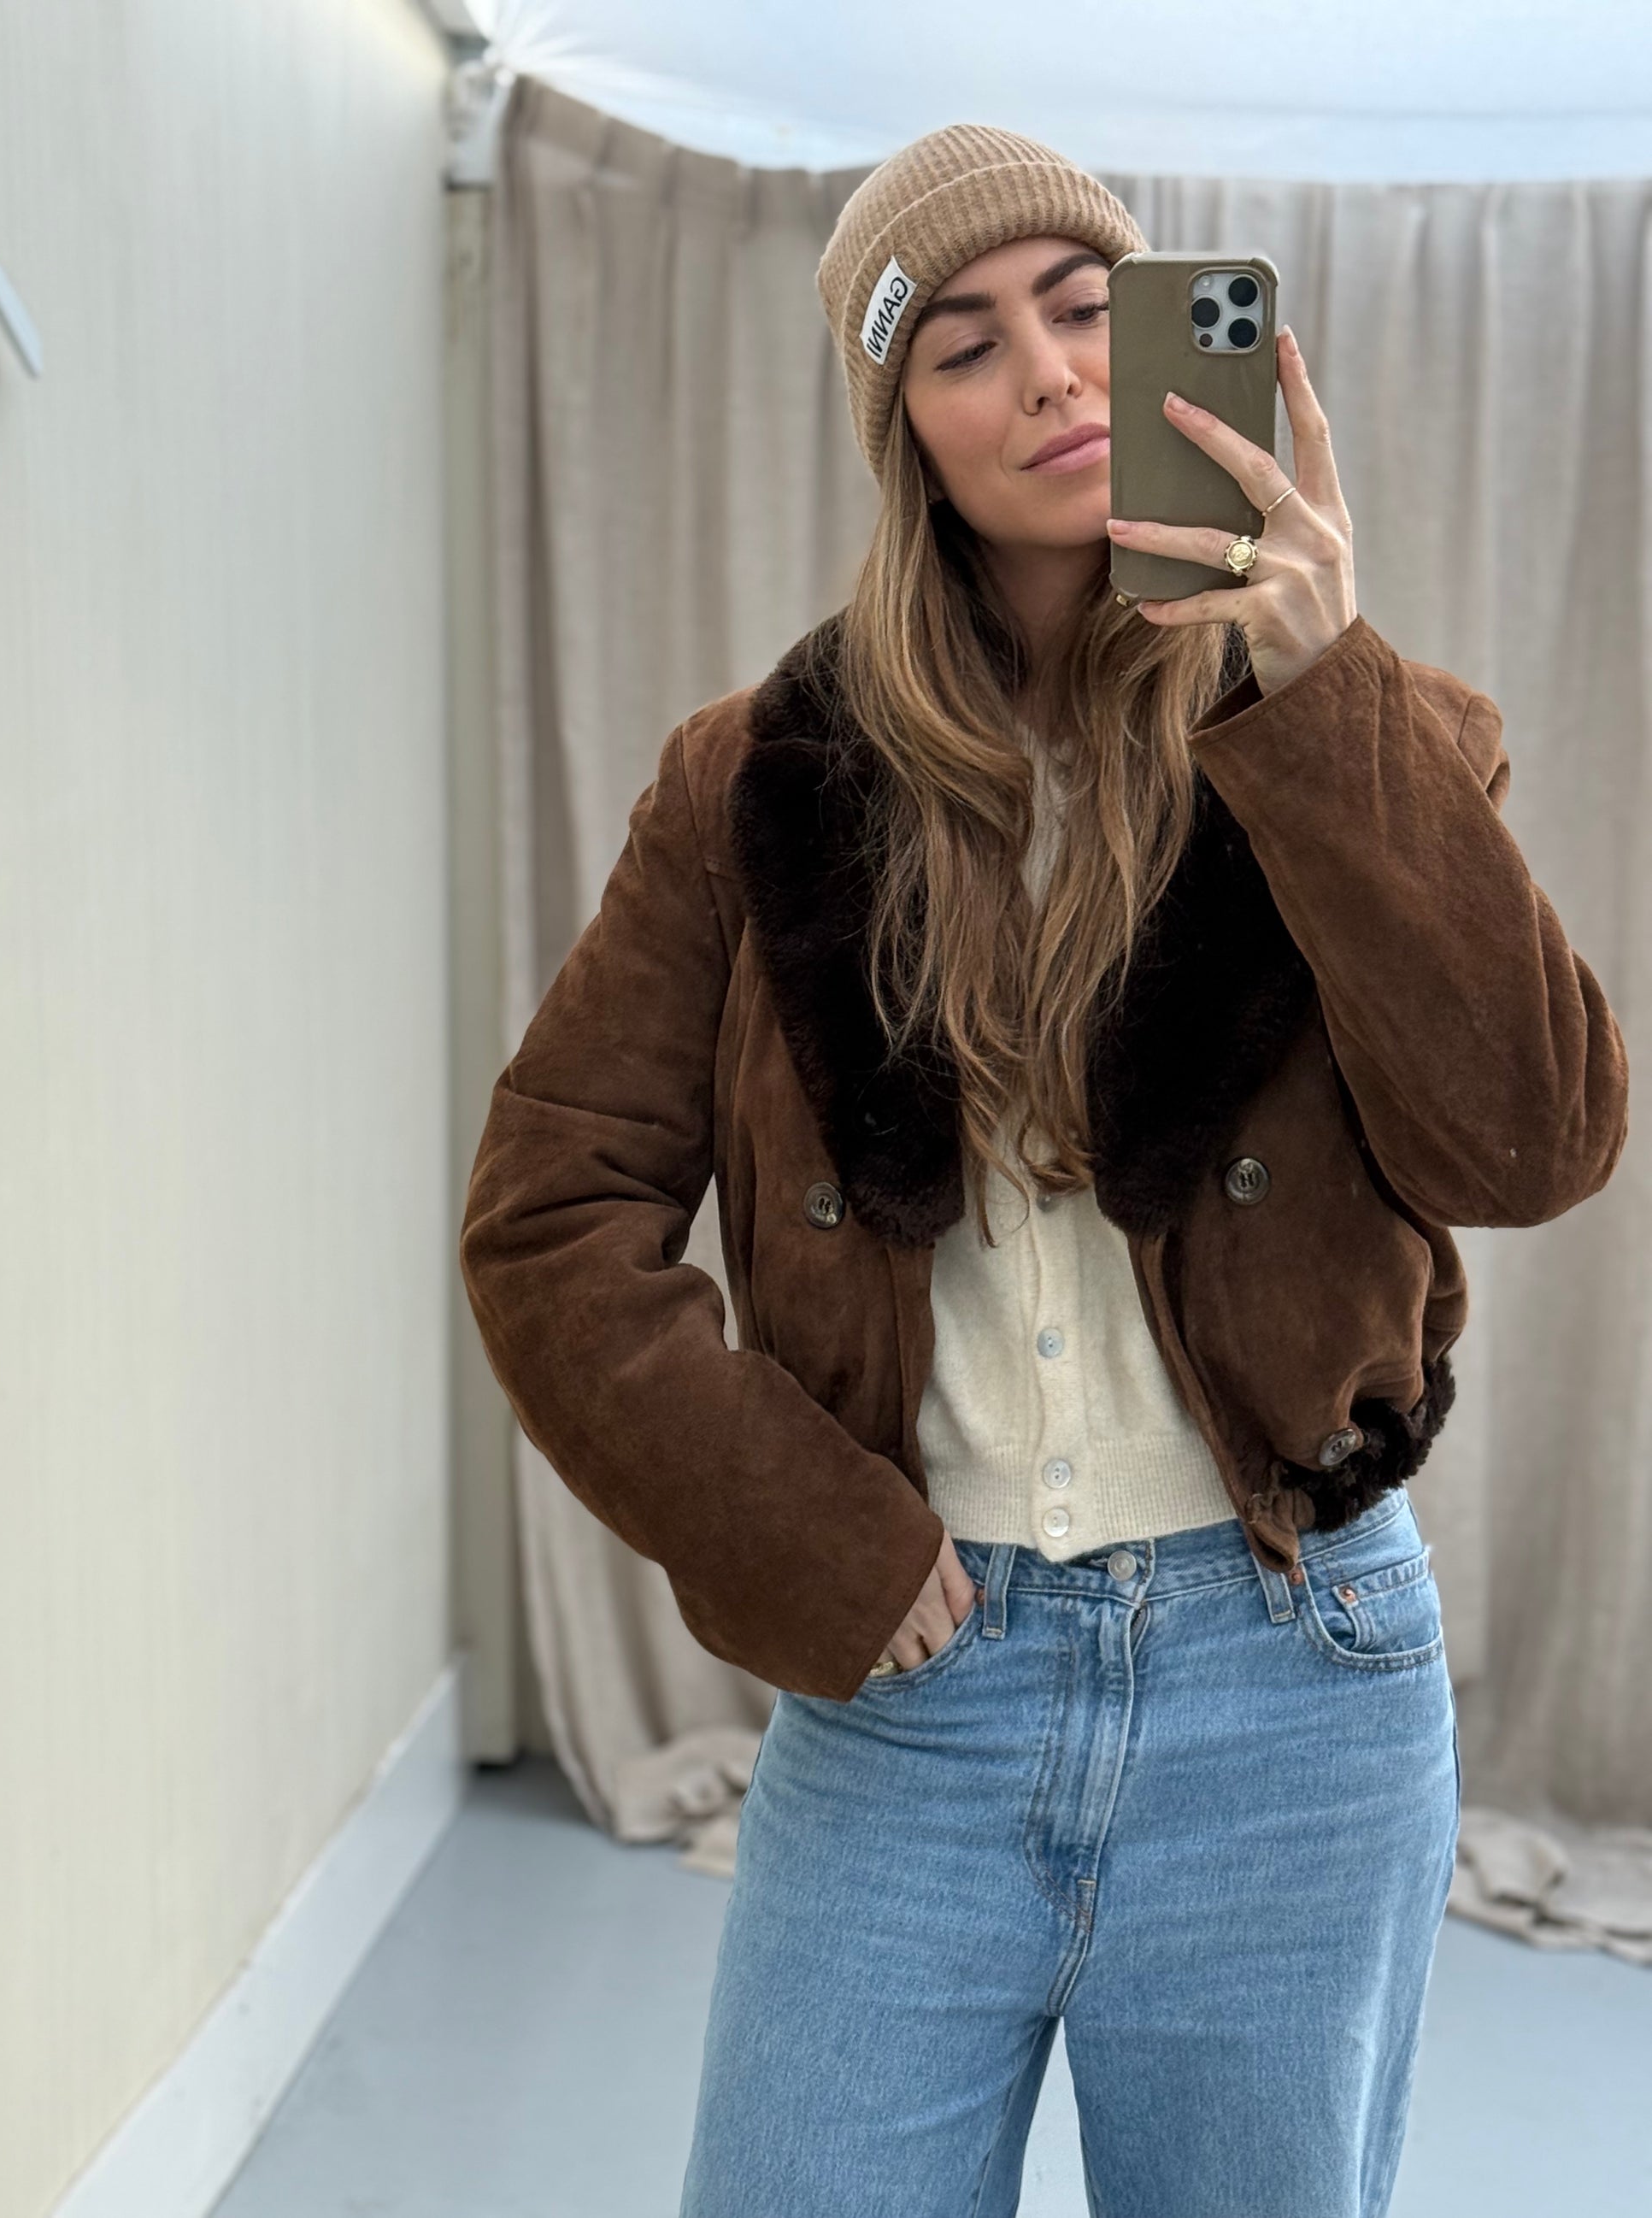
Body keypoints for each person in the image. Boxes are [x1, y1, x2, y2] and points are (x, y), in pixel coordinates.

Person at [459, 124, 1629, 2218]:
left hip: (1294, 1684)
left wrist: (1321, 689)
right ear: (901, 426)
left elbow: (1532, 1141)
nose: (1054, 376)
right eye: (966, 345)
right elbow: (549, 1217)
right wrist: (803, 1531)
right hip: (911, 1696)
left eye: (1089, 310)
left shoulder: (1371, 729)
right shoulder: (755, 779)